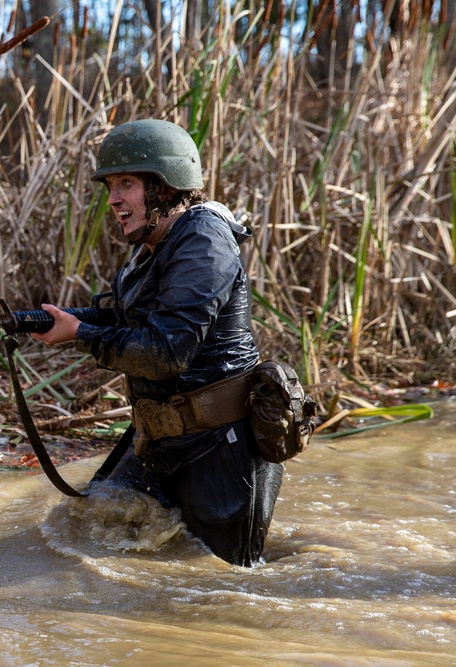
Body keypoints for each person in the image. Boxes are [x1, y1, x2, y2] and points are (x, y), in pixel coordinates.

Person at [31, 119, 282, 567]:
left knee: (225, 585)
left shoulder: (204, 241)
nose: (112, 199)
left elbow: (167, 351)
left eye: (125, 183)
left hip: (219, 449)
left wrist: (81, 334)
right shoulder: (154, 243)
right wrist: (53, 322)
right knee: (89, 528)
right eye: (110, 186)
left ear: (165, 186)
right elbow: (128, 319)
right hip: (162, 439)